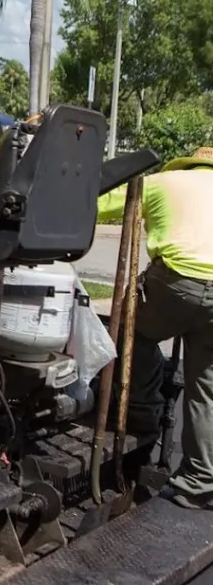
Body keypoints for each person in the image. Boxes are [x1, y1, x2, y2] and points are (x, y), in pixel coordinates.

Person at [97, 147, 213, 510]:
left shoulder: (160, 182)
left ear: (187, 164)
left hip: (177, 281)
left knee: (129, 332)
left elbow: (97, 203)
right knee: (205, 387)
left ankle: (142, 409)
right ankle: (198, 482)